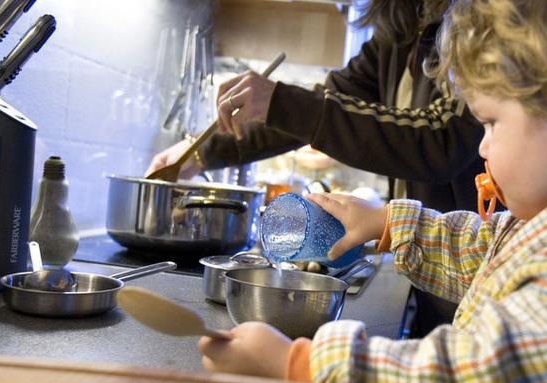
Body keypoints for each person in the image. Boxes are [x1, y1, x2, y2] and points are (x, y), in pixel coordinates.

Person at [196, 0, 547, 381]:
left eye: (490, 123)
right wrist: (390, 223)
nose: (480, 148)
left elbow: (470, 373)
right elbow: (486, 251)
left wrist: (305, 364)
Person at [147, 0, 479, 337]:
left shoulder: (477, 20)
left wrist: (281, 102)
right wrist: (199, 153)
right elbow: (313, 110)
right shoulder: (399, 30)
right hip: (429, 270)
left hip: (466, 268)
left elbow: (442, 139)